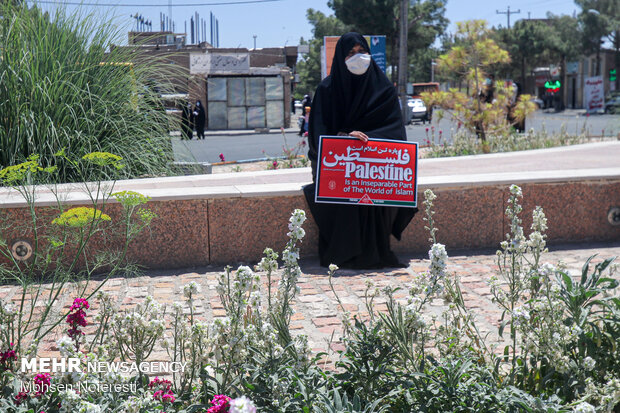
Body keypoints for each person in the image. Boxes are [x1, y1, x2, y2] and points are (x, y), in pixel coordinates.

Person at [303, 32, 417, 269]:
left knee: (370, 181)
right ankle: (344, 252)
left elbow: (395, 132)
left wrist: (369, 144)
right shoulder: (327, 90)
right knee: (348, 185)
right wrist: (345, 138)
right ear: (340, 58)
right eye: (351, 53)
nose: (358, 57)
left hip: (371, 167)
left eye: (362, 52)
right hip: (337, 166)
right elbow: (318, 134)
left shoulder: (383, 88)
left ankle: (375, 250)